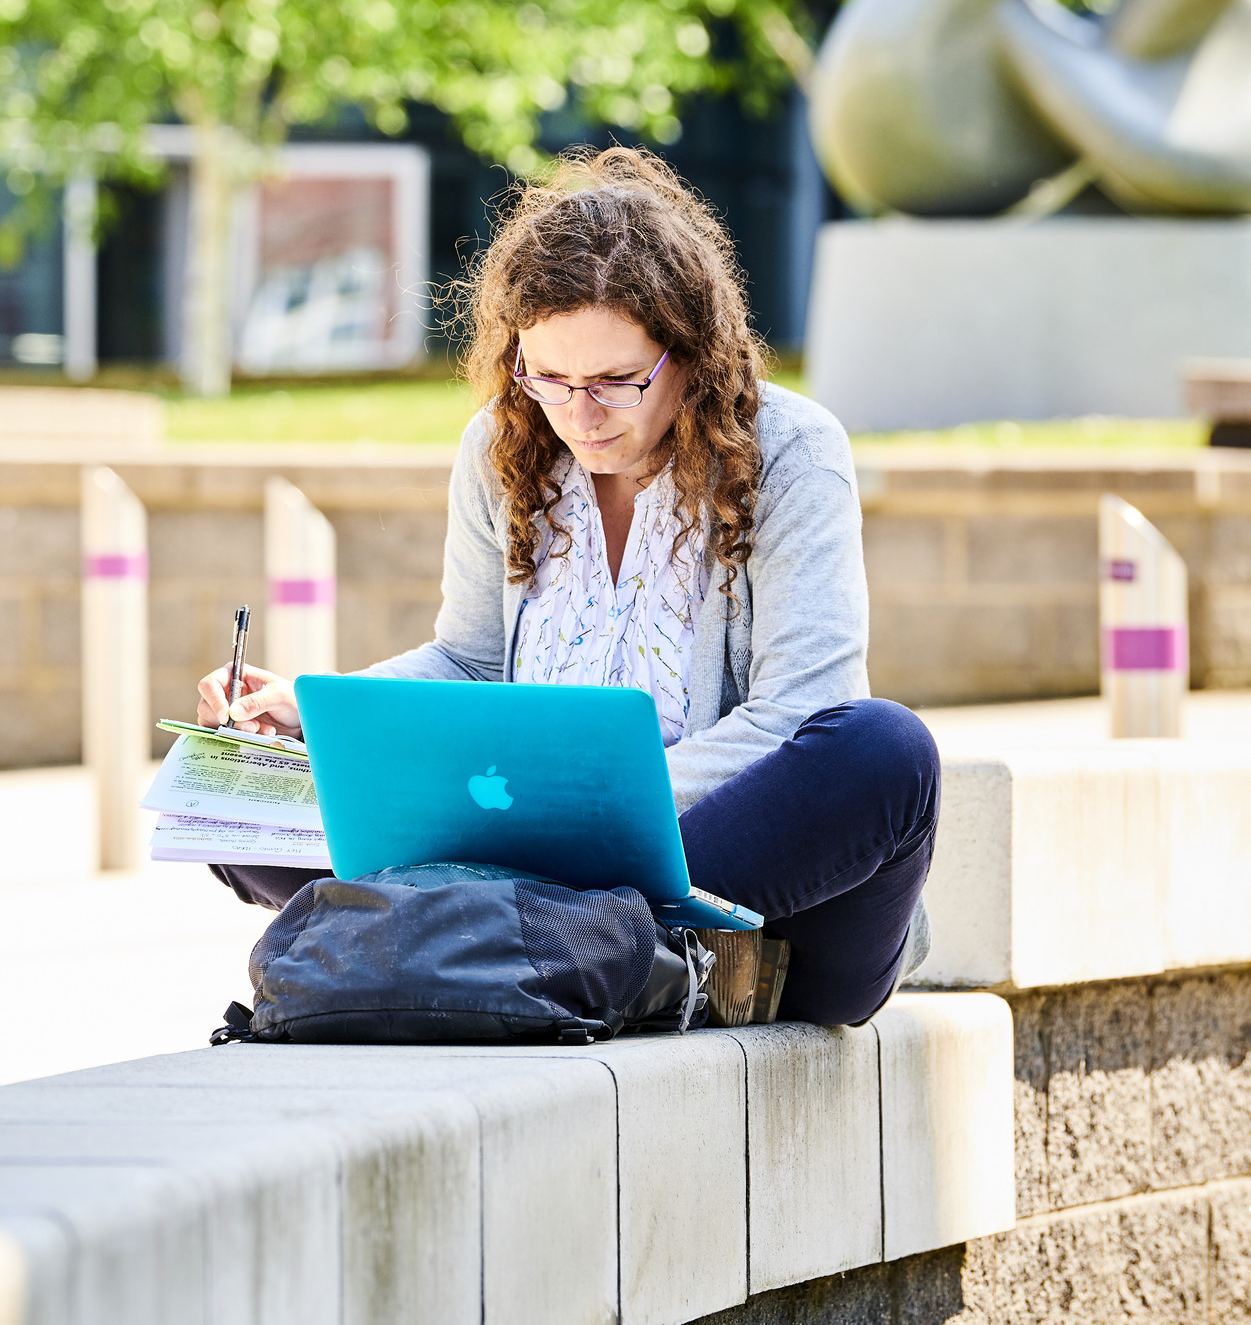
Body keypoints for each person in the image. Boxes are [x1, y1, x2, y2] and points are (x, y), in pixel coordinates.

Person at [197, 146, 937, 1028]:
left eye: (616, 383)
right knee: (232, 785)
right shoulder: (501, 447)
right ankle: (559, 940)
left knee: (884, 752)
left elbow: (798, 709)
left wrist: (593, 818)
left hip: (746, 901)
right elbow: (470, 663)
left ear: (689, 354)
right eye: (546, 377)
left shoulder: (793, 451)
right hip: (531, 865)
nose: (578, 414)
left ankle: (539, 928)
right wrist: (311, 714)